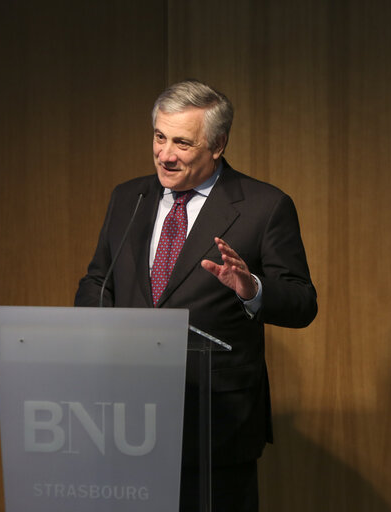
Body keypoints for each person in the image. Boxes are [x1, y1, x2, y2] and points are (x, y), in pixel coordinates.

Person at [75, 79, 317, 511]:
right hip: (131, 415)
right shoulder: (129, 196)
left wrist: (253, 289)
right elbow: (98, 280)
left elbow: (302, 303)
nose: (165, 154)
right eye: (159, 137)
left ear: (218, 144)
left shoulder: (264, 206)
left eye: (182, 143)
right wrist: (102, 328)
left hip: (217, 423)